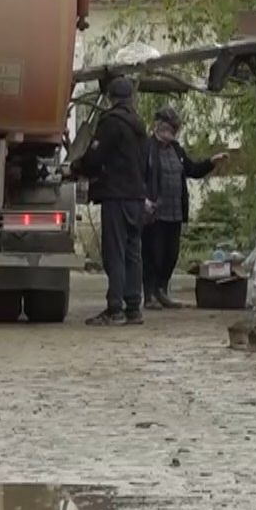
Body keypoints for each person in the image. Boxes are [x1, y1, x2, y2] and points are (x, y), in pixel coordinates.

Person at [73, 77, 151, 327]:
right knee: (133, 252)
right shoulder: (140, 125)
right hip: (137, 196)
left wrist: (78, 166)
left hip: (116, 196)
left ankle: (115, 308)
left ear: (110, 98)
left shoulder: (111, 122)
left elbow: (95, 156)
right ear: (131, 98)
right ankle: (133, 308)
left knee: (115, 252)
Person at [140, 107, 229, 310]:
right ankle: (150, 294)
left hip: (175, 212)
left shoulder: (177, 150)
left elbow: (192, 170)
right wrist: (144, 200)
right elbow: (138, 177)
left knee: (171, 254)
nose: (172, 133)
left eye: (174, 129)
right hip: (153, 214)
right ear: (158, 127)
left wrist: (211, 162)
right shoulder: (146, 148)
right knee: (153, 254)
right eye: (169, 128)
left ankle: (162, 290)